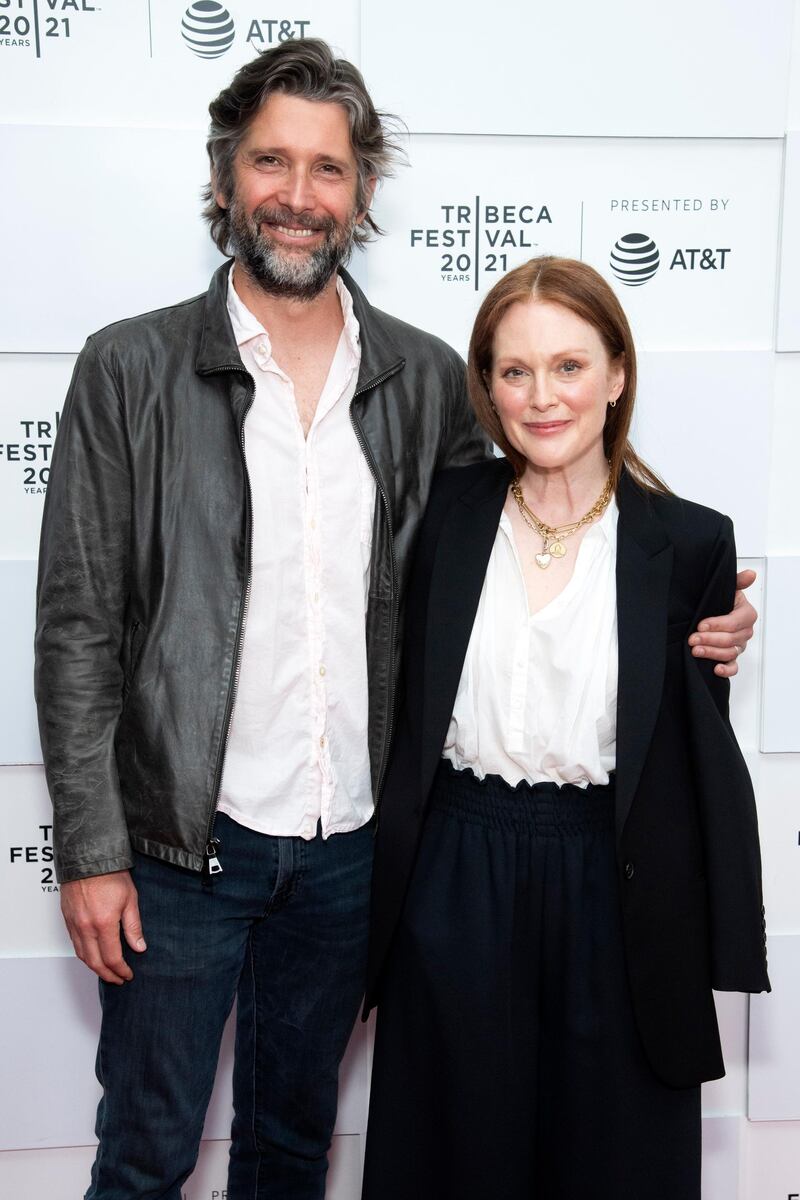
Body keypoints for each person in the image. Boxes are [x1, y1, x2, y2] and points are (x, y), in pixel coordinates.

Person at [33, 39, 755, 1200]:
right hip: (181, 846)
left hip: (352, 854)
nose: (298, 195)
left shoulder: (422, 382)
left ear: (362, 191)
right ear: (225, 177)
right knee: (147, 1151)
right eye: (271, 160)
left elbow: (546, 515)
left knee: (290, 1147)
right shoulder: (130, 368)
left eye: (328, 168)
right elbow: (75, 625)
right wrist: (93, 849)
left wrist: (696, 612)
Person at [362, 256, 769, 1200]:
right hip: (455, 878)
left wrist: (726, 631)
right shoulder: (441, 516)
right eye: (515, 372)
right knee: (448, 1164)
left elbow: (684, 754)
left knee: (614, 1167)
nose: (542, 397)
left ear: (618, 373)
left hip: (617, 895)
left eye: (569, 366)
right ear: (488, 388)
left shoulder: (694, 543)